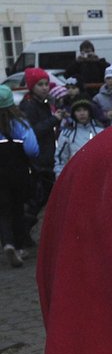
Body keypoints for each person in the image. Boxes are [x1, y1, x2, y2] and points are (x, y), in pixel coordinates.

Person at [0, 84, 40, 267]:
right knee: (17, 208)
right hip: (18, 172)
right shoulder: (20, 123)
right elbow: (32, 149)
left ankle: (7, 243)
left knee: (3, 211)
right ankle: (18, 246)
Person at [19, 68, 60, 234]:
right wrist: (53, 120)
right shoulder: (29, 106)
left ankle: (24, 230)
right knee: (38, 197)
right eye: (40, 85)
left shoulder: (43, 103)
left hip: (46, 155)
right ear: (32, 87)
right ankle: (22, 230)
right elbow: (32, 132)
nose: (45, 88)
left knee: (41, 197)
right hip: (38, 158)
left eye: (46, 84)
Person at [54, 98, 104, 177]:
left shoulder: (101, 132)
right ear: (74, 113)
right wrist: (59, 176)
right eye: (78, 110)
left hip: (97, 174)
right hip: (75, 175)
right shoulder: (66, 134)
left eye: (85, 110)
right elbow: (61, 158)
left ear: (90, 112)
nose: (82, 113)